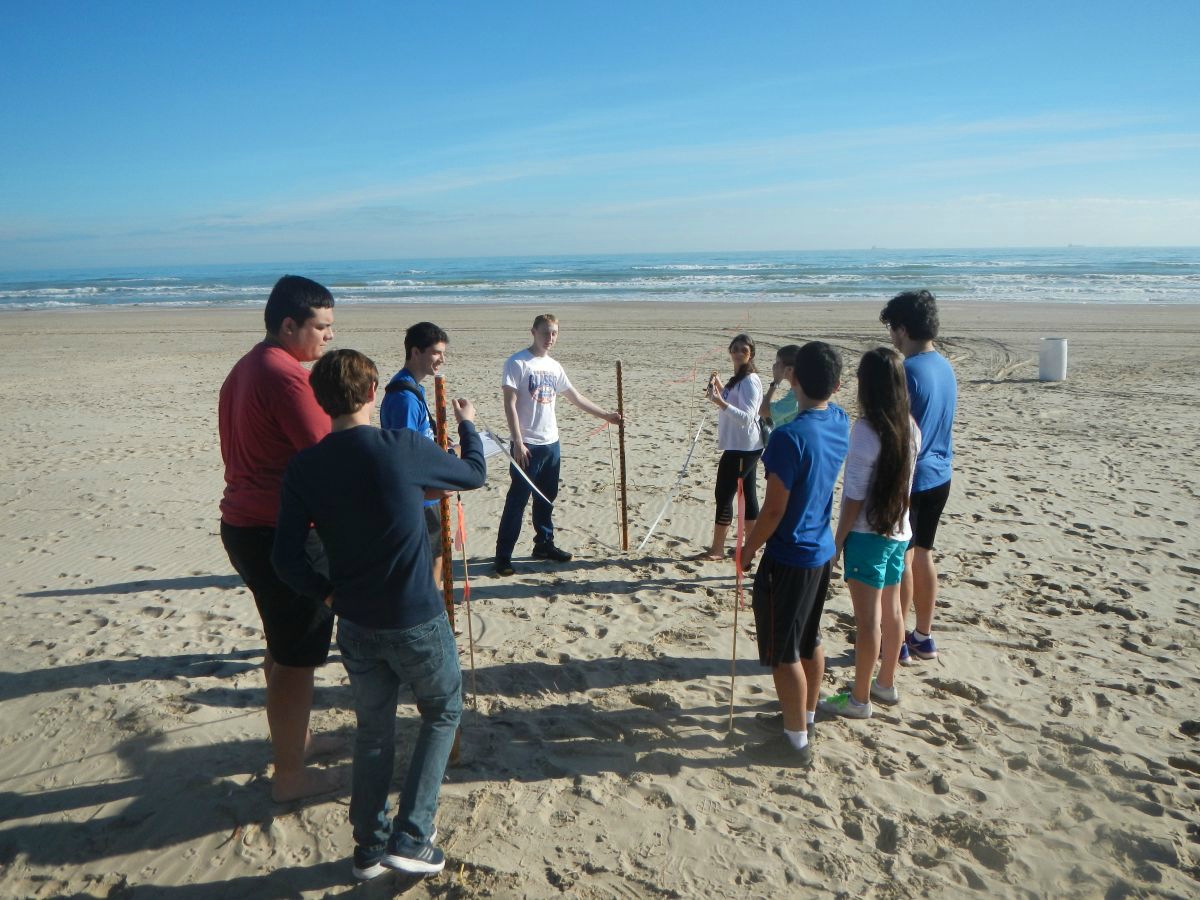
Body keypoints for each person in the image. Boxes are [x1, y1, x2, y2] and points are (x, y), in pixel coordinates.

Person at [271, 349, 487, 881]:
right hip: (415, 619)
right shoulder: (401, 447)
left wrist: (327, 596)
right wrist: (468, 424)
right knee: (442, 711)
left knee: (373, 731)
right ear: (372, 393)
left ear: (322, 402)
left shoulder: (306, 467)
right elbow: (473, 474)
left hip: (358, 623)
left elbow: (285, 558)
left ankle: (369, 845)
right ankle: (412, 835)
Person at [218, 274, 339, 803]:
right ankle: (290, 776)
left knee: (281, 644)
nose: (329, 336)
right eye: (322, 327)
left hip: (245, 525)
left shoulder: (247, 366)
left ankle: (297, 743)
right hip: (279, 532)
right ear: (289, 325)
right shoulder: (285, 377)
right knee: (296, 660)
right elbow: (331, 455)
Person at [741, 341, 849, 766]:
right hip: (821, 551)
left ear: (793, 377)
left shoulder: (788, 437)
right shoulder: (839, 419)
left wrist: (748, 548)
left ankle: (796, 743)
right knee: (809, 638)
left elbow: (773, 509)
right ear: (836, 386)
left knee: (784, 652)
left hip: (790, 556)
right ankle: (803, 717)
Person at [818, 347, 921, 719]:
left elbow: (855, 496)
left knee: (868, 622)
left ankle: (860, 698)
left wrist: (837, 541)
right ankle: (885, 683)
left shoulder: (866, 430)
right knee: (892, 612)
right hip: (898, 531)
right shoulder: (910, 426)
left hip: (869, 534)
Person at [493, 313, 622, 576]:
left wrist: (606, 416)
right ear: (533, 332)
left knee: (547, 498)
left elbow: (575, 397)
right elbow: (510, 404)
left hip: (551, 443)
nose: (549, 338)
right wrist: (517, 441)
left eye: (554, 333)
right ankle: (503, 556)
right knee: (517, 501)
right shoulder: (517, 362)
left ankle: (544, 544)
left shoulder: (554, 366)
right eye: (545, 332)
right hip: (527, 444)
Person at [880, 290, 957, 662]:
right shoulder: (944, 366)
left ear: (903, 329)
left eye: (893, 329)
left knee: (904, 559)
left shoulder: (907, 372)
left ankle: (897, 643)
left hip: (913, 477)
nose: (892, 337)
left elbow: (895, 432)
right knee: (923, 554)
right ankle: (923, 635)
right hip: (941, 474)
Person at [380, 322, 450, 587]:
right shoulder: (404, 398)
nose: (441, 359)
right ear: (415, 352)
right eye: (436, 352)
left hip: (426, 493)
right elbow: (405, 453)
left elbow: (421, 438)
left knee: (437, 556)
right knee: (432, 561)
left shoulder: (415, 389)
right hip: (419, 499)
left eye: (443, 353)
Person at [696, 334, 764, 560]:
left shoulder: (750, 380)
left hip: (743, 447)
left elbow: (747, 417)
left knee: (724, 494)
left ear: (750, 354)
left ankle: (717, 549)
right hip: (741, 445)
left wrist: (719, 402)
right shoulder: (738, 378)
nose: (738, 353)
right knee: (748, 494)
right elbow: (732, 400)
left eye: (743, 350)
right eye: (734, 349)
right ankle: (751, 547)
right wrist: (718, 387)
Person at [758, 343, 801, 431]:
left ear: (789, 369)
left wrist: (776, 382)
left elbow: (763, 411)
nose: (774, 366)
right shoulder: (799, 388)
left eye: (778, 363)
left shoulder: (796, 395)